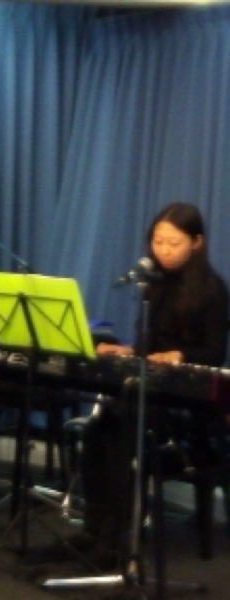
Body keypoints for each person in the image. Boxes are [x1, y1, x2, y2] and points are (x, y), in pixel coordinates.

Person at [72, 202, 229, 569]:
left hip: (191, 404)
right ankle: (94, 528)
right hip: (156, 393)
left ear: (197, 242)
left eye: (174, 243)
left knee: (126, 429)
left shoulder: (213, 290)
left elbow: (215, 354)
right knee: (97, 429)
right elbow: (151, 344)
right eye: (158, 242)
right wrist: (128, 350)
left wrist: (179, 354)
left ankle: (117, 539)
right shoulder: (154, 286)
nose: (164, 250)